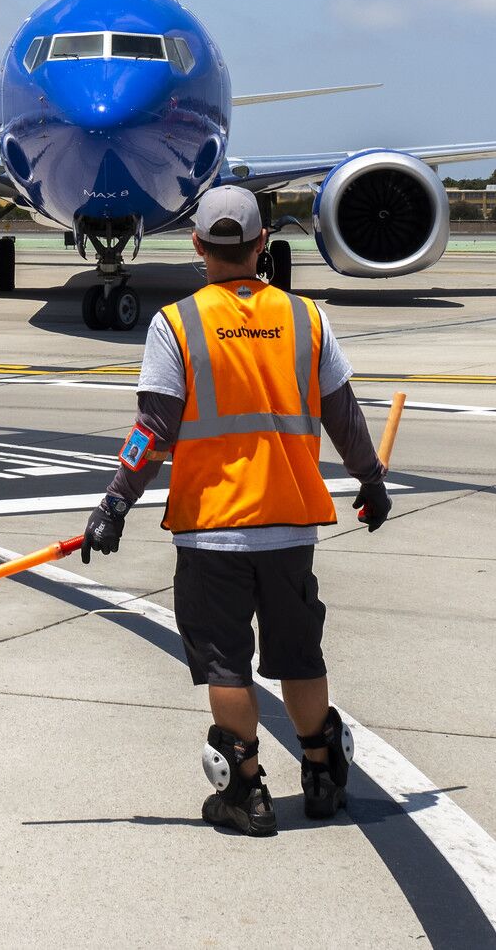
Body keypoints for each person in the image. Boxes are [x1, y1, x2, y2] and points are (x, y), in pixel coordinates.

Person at [81, 185, 391, 837]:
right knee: (300, 654)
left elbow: (152, 431)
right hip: (287, 523)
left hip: (212, 529)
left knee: (227, 664)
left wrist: (115, 502)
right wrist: (369, 478)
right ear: (261, 245)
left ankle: (246, 792)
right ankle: (323, 771)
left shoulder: (177, 323)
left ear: (197, 246)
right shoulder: (308, 318)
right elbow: (344, 412)